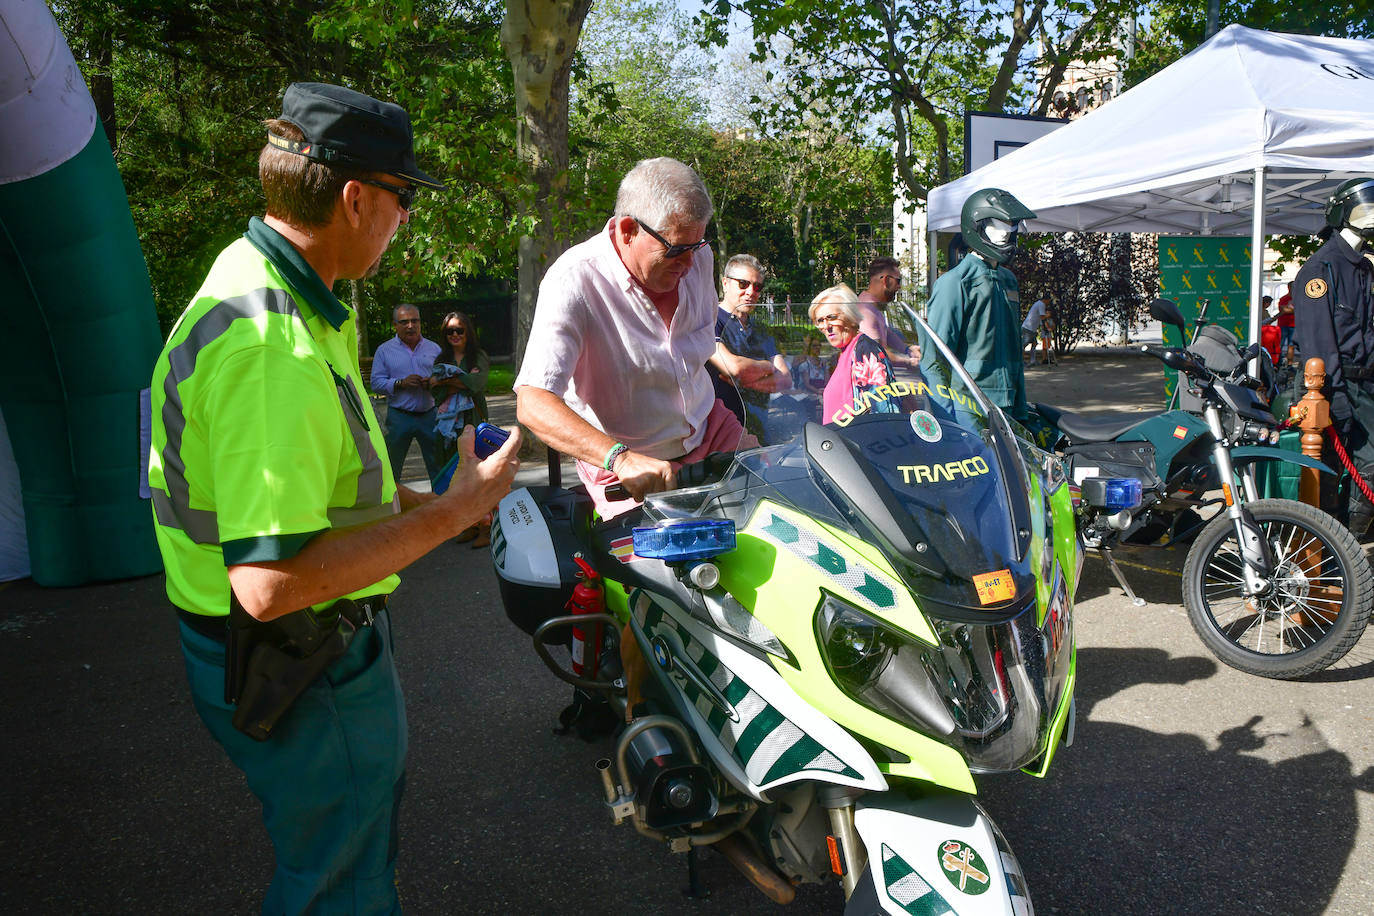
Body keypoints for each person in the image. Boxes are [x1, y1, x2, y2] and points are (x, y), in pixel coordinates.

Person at [146, 82, 521, 914]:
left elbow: (322, 501)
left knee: (339, 861)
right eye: (402, 198)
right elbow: (270, 586)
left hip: (281, 654)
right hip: (300, 663)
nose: (405, 219)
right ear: (355, 198)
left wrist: (437, 500)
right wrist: (456, 512)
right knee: (339, 885)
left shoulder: (268, 286)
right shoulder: (271, 345)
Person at [515, 157, 753, 519]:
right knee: (660, 572)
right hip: (628, 465)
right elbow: (532, 402)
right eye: (675, 251)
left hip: (712, 430)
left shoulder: (696, 255)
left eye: (696, 246)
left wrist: (731, 362)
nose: (689, 265)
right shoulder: (573, 280)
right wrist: (620, 459)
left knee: (776, 521)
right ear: (628, 230)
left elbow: (688, 345)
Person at [1294, 176, 1374, 537]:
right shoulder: (1319, 269)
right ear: (1344, 212)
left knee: (1367, 469)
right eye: (1365, 204)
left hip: (1363, 385)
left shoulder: (1363, 267)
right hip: (1329, 387)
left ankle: (1351, 545)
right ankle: (1332, 551)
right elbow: (1317, 343)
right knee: (1326, 473)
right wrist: (1333, 396)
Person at [923, 187, 1035, 423]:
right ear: (977, 226)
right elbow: (935, 358)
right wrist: (945, 418)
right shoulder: (954, 283)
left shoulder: (1008, 280)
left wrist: (1021, 405)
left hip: (1009, 403)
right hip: (969, 407)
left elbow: (1014, 349)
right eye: (997, 224)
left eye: (1011, 225)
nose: (1006, 232)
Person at [714, 254, 791, 441]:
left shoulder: (761, 329)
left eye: (757, 287)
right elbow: (734, 367)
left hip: (759, 429)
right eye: (743, 283)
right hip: (719, 434)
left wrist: (743, 380)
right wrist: (768, 368)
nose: (751, 291)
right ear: (725, 283)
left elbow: (785, 380)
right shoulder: (709, 319)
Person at [433, 310, 492, 545]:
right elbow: (434, 391)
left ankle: (486, 527)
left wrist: (446, 381)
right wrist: (461, 379)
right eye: (450, 331)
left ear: (468, 331)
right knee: (456, 476)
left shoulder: (478, 356)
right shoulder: (441, 360)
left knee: (477, 474)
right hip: (449, 426)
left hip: (472, 422)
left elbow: (477, 385)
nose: (455, 334)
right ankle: (470, 524)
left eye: (460, 330)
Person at [371, 303, 443, 483]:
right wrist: (400, 383)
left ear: (420, 322)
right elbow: (376, 383)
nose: (410, 326)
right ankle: (393, 508)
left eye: (414, 321)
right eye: (404, 322)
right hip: (399, 417)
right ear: (395, 325)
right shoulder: (384, 350)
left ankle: (441, 506)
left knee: (438, 467)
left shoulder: (435, 349)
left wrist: (433, 383)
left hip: (430, 415)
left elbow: (445, 378)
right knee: (392, 467)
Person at [812, 284, 898, 425]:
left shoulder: (865, 350)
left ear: (850, 316)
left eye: (831, 317)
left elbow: (882, 412)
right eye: (820, 320)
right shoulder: (843, 353)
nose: (826, 326)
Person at [857, 256, 920, 369]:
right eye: (898, 281)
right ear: (886, 280)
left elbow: (887, 333)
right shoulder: (866, 310)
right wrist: (909, 361)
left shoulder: (874, 306)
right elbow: (876, 353)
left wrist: (908, 350)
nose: (899, 286)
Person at [1022, 293, 1055, 366]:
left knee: (1034, 343)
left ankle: (1032, 360)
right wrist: (1047, 327)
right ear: (1046, 300)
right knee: (1024, 344)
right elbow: (1042, 317)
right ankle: (1020, 361)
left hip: (1032, 328)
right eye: (1049, 301)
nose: (1049, 303)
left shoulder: (1039, 304)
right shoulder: (1041, 305)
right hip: (1028, 327)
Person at [1276, 284, 1296, 366]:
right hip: (1283, 324)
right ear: (1288, 287)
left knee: (1291, 345)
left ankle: (1290, 364)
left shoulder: (1297, 298)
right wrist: (1294, 310)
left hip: (1294, 325)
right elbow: (1283, 310)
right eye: (1292, 286)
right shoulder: (1283, 298)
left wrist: (1289, 309)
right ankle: (1278, 363)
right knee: (1279, 344)